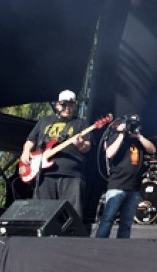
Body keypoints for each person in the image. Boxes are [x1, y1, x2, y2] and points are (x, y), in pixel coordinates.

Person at [20, 90, 92, 218]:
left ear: (75, 106)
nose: (67, 108)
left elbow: (87, 147)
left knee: (71, 216)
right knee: (41, 214)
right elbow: (30, 140)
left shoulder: (81, 124)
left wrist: (80, 144)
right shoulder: (44, 121)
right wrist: (25, 153)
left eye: (71, 105)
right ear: (57, 104)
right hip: (44, 174)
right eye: (64, 105)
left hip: (71, 175)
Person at [95, 114, 156, 238]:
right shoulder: (114, 137)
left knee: (126, 223)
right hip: (117, 185)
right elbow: (109, 153)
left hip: (134, 187)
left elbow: (152, 150)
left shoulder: (138, 140)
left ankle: (121, 249)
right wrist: (121, 134)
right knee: (108, 219)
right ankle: (99, 245)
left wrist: (138, 136)